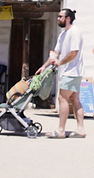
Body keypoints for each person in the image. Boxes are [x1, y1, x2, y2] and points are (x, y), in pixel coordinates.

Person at [38, 8, 85, 138]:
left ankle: (61, 130)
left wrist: (60, 63)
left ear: (68, 18)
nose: (58, 18)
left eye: (60, 16)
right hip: (71, 72)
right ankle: (80, 130)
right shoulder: (63, 34)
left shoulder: (74, 32)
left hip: (72, 71)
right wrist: (44, 66)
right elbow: (56, 53)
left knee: (62, 98)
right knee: (75, 99)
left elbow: (73, 53)